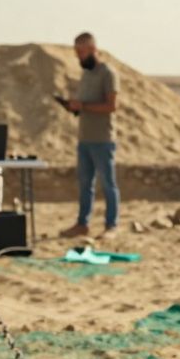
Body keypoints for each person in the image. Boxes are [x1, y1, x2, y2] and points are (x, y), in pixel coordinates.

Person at [59, 31, 120, 238]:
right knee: (85, 184)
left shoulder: (108, 73)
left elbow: (111, 106)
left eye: (81, 52)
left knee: (108, 184)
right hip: (84, 138)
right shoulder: (85, 75)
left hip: (102, 139)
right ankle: (82, 224)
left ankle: (112, 225)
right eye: (76, 52)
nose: (78, 57)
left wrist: (83, 105)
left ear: (93, 50)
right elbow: (85, 105)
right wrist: (74, 107)